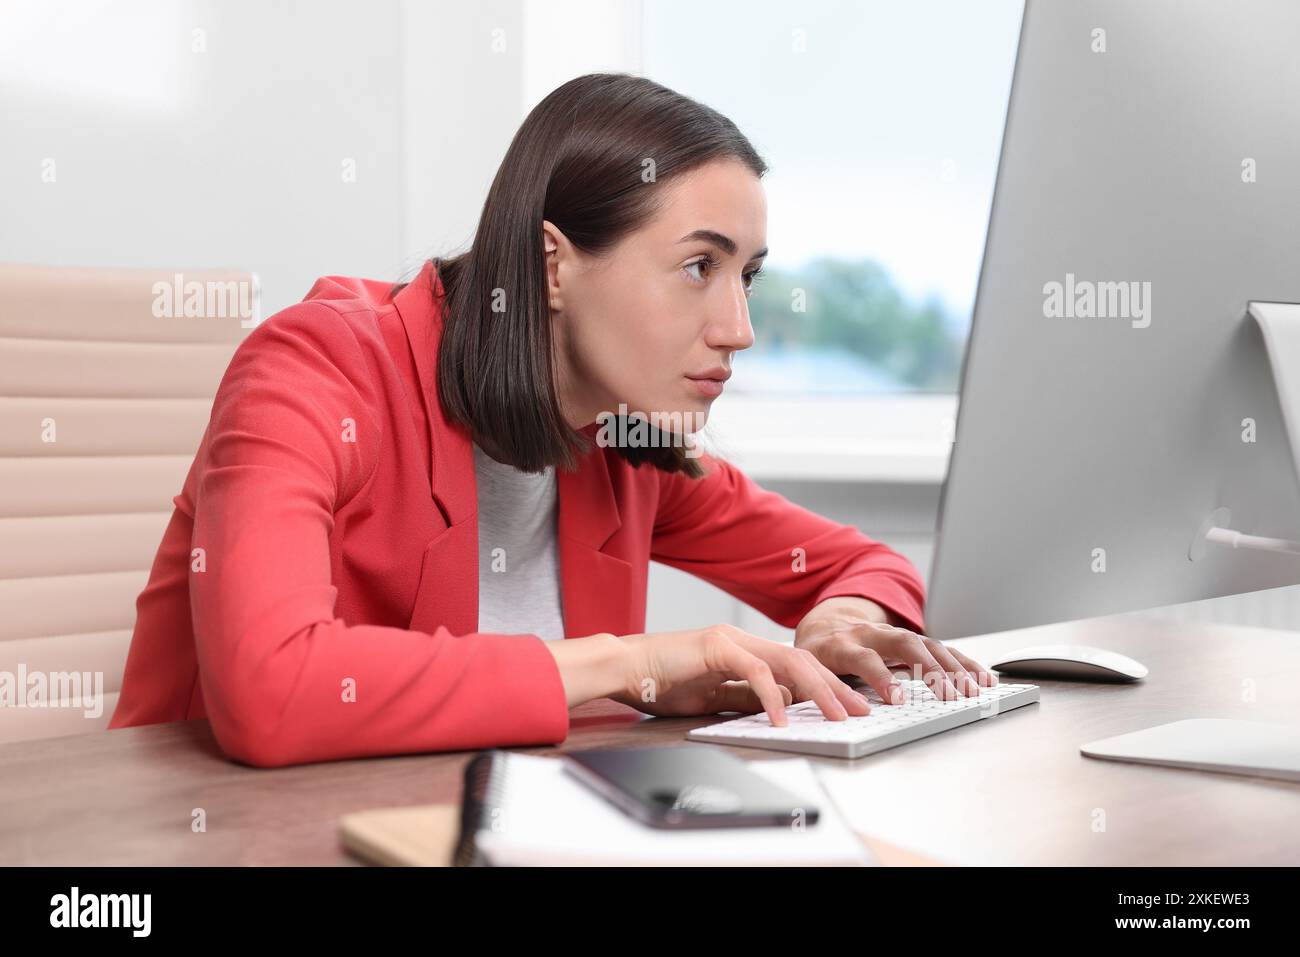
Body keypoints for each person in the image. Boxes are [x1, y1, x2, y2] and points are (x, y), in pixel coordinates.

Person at [109, 73, 994, 767]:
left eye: (748, 276)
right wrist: (636, 664)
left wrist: (840, 618)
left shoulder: (622, 437)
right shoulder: (317, 369)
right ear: (552, 267)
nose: (740, 330)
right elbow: (275, 690)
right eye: (698, 268)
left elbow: (856, 563)